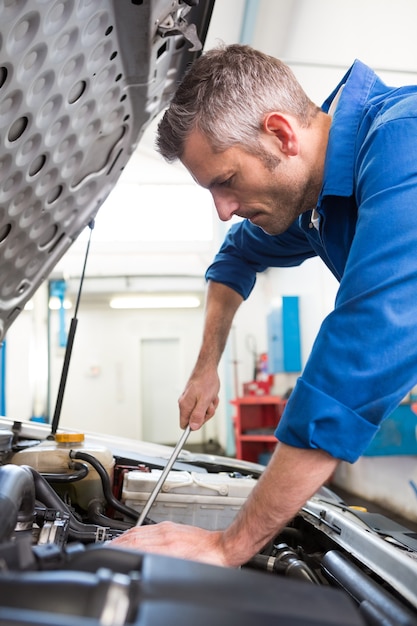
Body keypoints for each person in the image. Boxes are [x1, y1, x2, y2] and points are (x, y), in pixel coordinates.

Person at [111, 44, 417, 566]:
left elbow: (356, 359)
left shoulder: (402, 146)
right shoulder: (316, 199)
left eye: (226, 182)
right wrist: (205, 367)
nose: (224, 210)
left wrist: (228, 545)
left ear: (280, 134)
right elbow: (235, 259)